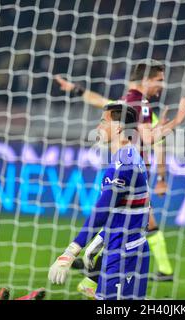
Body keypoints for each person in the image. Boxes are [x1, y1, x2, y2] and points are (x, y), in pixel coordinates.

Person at [55, 60, 185, 296]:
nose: (162, 85)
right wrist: (176, 123)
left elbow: (102, 103)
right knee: (137, 224)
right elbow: (153, 140)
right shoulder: (140, 105)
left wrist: (77, 90)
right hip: (134, 173)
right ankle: (100, 275)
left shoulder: (130, 103)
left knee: (132, 223)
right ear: (145, 80)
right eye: (159, 79)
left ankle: (95, 276)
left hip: (130, 171)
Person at [48, 102, 150, 300]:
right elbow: (123, 210)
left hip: (124, 253)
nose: (98, 127)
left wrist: (71, 251)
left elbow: (102, 210)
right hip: (125, 247)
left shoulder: (124, 164)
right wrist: (102, 237)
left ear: (118, 127)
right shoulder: (127, 157)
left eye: (103, 121)